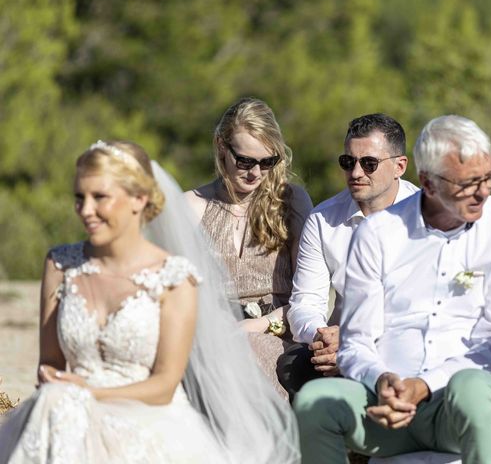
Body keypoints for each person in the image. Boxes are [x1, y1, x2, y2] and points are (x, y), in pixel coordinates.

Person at [0, 140, 299, 463]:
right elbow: (50, 365)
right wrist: (63, 396)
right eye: (79, 197)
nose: (85, 210)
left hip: (145, 416)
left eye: (99, 197)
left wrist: (88, 394)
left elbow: (165, 385)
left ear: (139, 199)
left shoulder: (174, 277)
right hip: (67, 412)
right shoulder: (60, 264)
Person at [294, 115, 491, 464]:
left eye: (488, 178)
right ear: (428, 182)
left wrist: (423, 385)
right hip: (386, 405)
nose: (483, 192)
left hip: (463, 403)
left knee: (472, 389)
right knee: (314, 403)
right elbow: (356, 340)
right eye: (467, 183)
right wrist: (381, 380)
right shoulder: (377, 233)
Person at [280, 113, 418, 397]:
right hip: (339, 344)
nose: (356, 173)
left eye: (369, 163)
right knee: (292, 366)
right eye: (348, 162)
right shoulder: (323, 219)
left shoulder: (426, 218)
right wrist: (322, 337)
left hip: (405, 340)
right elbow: (305, 302)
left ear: (399, 166)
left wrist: (354, 340)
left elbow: (423, 306)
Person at [186, 97, 312, 398]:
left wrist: (259, 326)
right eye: (244, 161)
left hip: (280, 333)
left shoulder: (291, 202)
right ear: (221, 146)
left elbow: (311, 294)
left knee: (249, 351)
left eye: (267, 163)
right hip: (211, 338)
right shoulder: (191, 206)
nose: (255, 173)